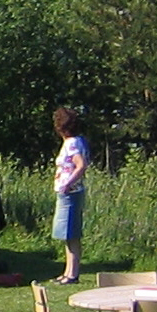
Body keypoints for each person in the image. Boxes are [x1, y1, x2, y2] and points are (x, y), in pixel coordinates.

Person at [50, 107, 90, 284]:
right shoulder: (75, 141)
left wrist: (67, 184)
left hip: (70, 193)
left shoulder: (72, 143)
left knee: (71, 234)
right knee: (66, 234)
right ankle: (67, 272)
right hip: (67, 193)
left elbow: (81, 165)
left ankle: (72, 274)